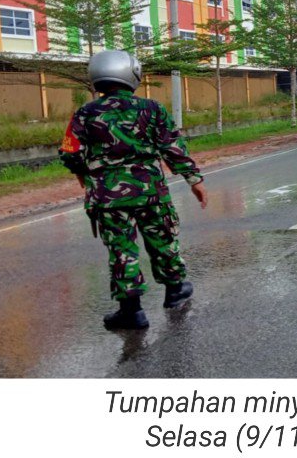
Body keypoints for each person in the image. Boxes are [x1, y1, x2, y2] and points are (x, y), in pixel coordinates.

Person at [59, 50, 209, 330]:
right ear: (131, 74)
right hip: (151, 192)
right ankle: (175, 290)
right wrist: (194, 181)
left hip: (107, 197)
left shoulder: (85, 113)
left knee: (121, 250)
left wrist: (82, 174)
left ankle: (132, 311)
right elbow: (172, 148)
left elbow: (70, 152)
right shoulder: (152, 109)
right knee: (163, 240)